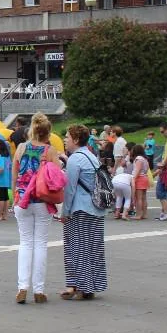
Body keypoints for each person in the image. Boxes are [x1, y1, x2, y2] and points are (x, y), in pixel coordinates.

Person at [11, 112, 59, 304]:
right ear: (48, 132)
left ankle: (22, 287)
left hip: (22, 200)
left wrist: (15, 195)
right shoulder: (50, 151)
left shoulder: (21, 147)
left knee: (25, 242)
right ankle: (39, 290)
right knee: (40, 243)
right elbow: (56, 178)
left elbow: (14, 174)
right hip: (42, 201)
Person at [60, 124, 108, 300]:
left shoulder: (75, 159)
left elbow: (70, 189)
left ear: (76, 139)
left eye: (67, 136)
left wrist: (64, 212)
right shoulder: (91, 156)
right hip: (96, 207)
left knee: (77, 248)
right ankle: (91, 286)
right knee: (93, 249)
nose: (65, 139)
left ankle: (81, 286)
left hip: (80, 209)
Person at [130, 144, 150, 221]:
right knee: (144, 198)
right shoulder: (145, 159)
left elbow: (137, 170)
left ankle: (138, 214)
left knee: (138, 198)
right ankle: (144, 214)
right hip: (145, 177)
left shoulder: (138, 159)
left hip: (139, 178)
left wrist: (134, 179)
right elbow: (147, 169)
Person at [0, 140, 12, 221]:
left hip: (0, 180)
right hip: (6, 180)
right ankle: (5, 215)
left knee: (1, 198)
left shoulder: (1, 157)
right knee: (6, 197)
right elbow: (9, 167)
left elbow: (1, 168)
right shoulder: (7, 157)